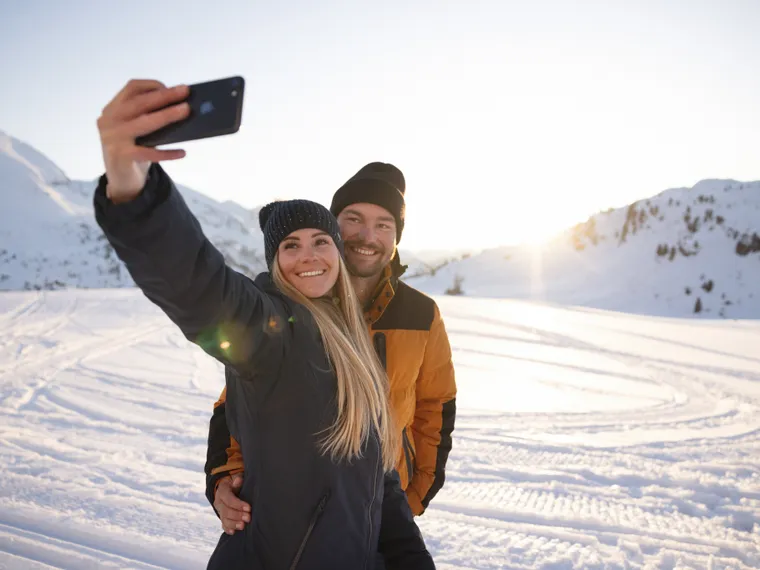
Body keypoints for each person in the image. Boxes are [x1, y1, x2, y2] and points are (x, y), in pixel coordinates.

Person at [93, 79, 435, 570]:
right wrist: (133, 188)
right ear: (274, 263)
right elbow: (199, 287)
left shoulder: (351, 341)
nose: (309, 256)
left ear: (337, 253)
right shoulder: (273, 330)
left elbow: (377, 481)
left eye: (321, 240)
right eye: (290, 246)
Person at [207, 161, 458, 535]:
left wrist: (413, 496)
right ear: (332, 228)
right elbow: (238, 404)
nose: (367, 236)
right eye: (353, 219)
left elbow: (436, 406)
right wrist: (226, 477)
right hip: (290, 511)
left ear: (396, 236)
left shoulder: (421, 313)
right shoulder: (293, 307)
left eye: (384, 225)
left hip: (382, 510)